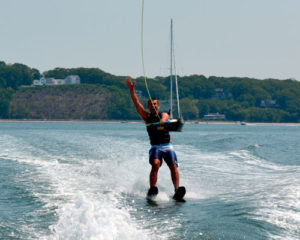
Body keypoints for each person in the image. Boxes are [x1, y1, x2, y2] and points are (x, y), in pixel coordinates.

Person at [126, 77, 180, 195]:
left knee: (173, 165)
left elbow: (166, 117)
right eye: (151, 104)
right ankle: (152, 189)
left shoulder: (164, 114)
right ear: (149, 107)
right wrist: (131, 90)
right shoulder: (146, 117)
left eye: (155, 104)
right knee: (155, 164)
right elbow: (137, 103)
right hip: (155, 146)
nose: (153, 106)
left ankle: (177, 189)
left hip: (167, 145)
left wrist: (163, 120)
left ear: (158, 106)